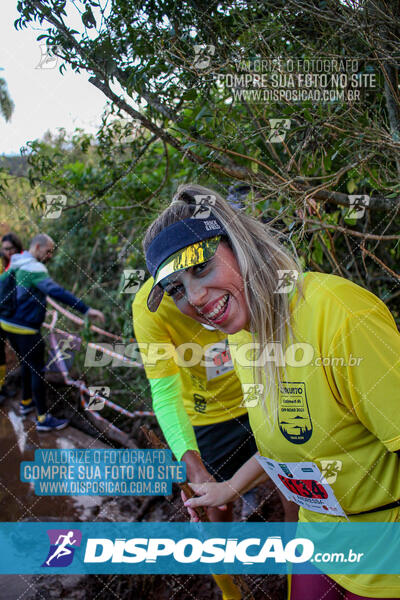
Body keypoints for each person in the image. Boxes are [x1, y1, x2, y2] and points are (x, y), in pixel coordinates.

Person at [142, 183, 400, 600]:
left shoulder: (340, 317)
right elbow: (288, 443)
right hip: (319, 538)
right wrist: (229, 488)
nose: (194, 299)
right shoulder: (242, 334)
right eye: (175, 290)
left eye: (202, 268)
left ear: (239, 246)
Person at [0, 233, 105, 432]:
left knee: (26, 363)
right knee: (38, 370)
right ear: (37, 247)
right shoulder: (34, 267)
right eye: (48, 251)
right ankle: (42, 419)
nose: (49, 256)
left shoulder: (16, 262)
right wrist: (85, 309)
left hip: (7, 324)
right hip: (25, 329)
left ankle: (26, 403)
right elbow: (55, 291)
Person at [0, 232, 24, 403]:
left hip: (15, 316)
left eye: (11, 249)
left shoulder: (22, 264)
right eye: (5, 249)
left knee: (21, 351)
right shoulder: (2, 265)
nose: (8, 252)